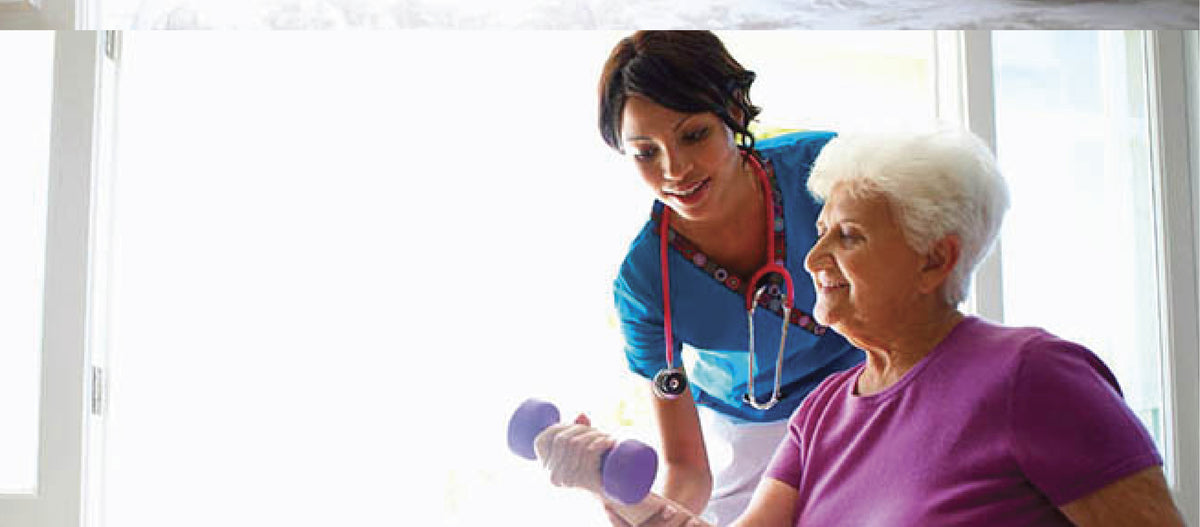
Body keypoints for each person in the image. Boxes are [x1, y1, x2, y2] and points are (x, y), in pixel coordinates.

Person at [535, 128, 1185, 526]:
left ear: (936, 257)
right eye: (820, 234)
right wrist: (617, 490)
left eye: (848, 236)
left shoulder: (1031, 374)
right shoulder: (820, 413)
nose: (814, 260)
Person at [572, 30, 864, 525]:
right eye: (645, 152)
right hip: (748, 434)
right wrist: (650, 515)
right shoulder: (646, 284)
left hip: (865, 390)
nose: (675, 170)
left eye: (693, 135)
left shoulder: (826, 169)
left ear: (732, 110)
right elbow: (688, 468)